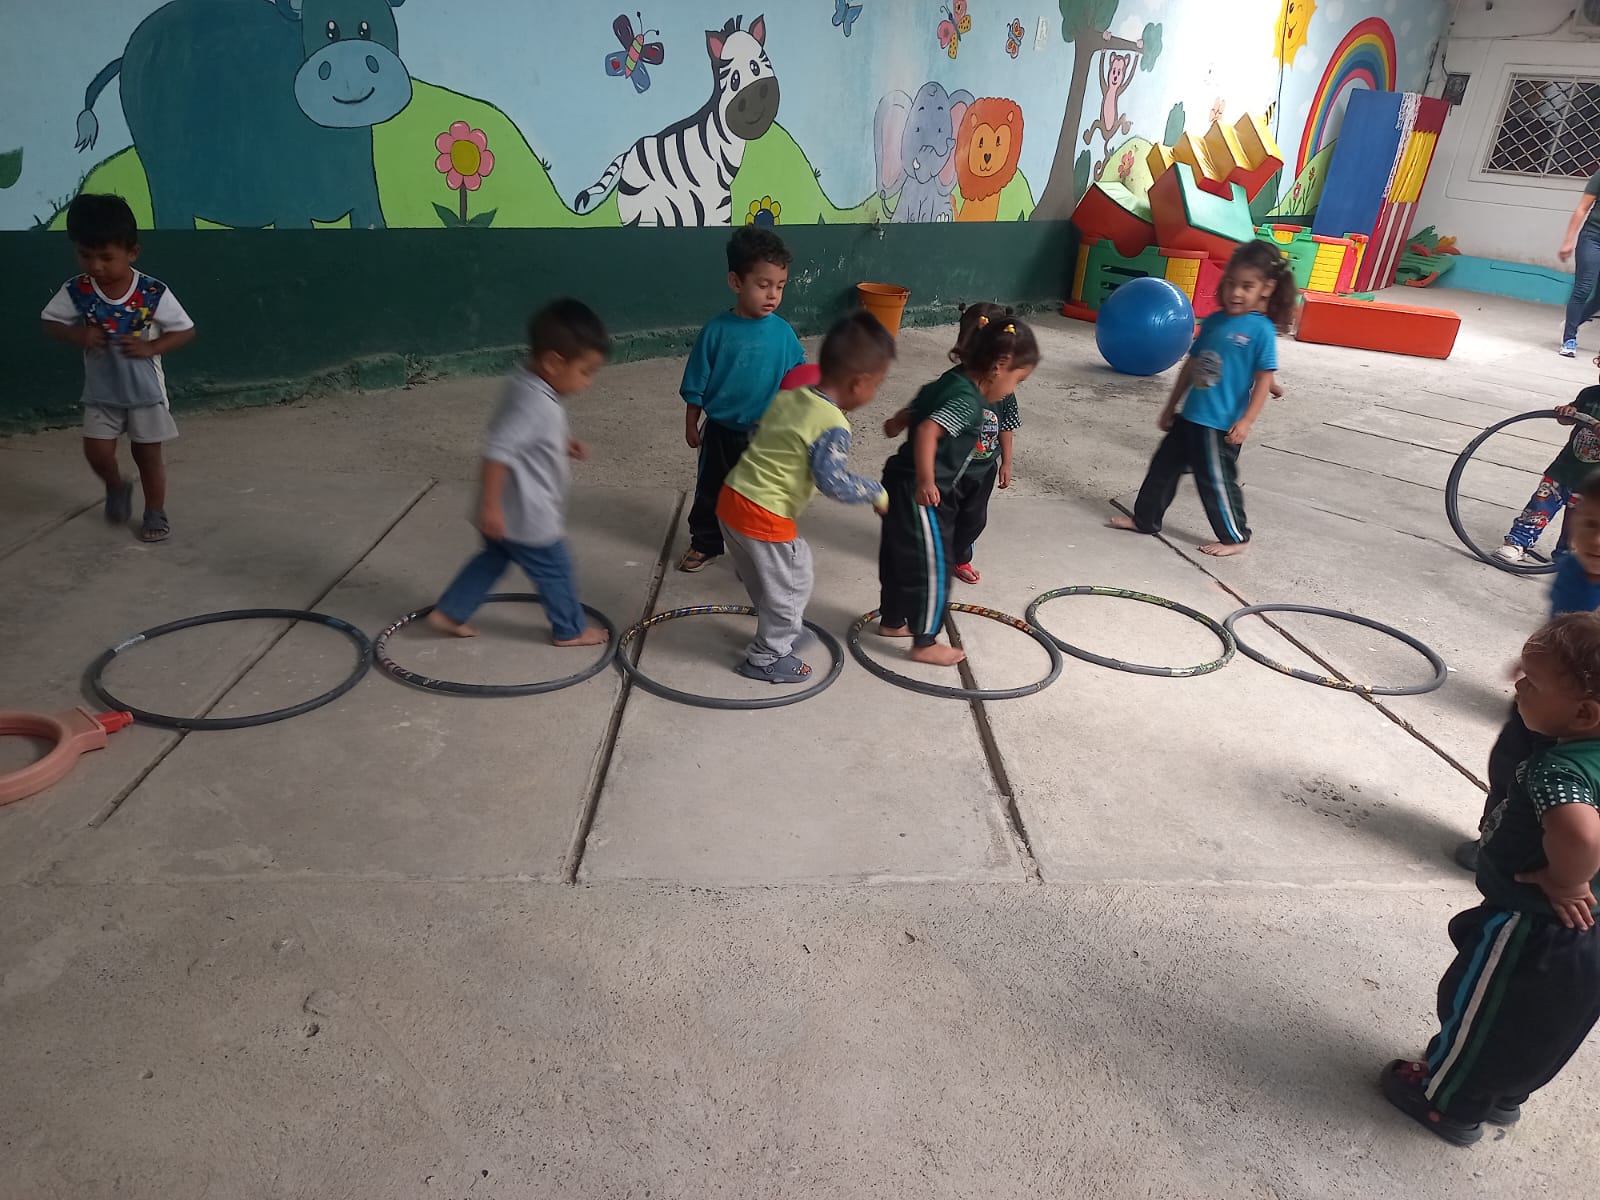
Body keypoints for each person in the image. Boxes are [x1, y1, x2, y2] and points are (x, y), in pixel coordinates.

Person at [1382, 610, 1600, 1147]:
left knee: (1480, 1009)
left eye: (1533, 683)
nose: (1518, 686)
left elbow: (1579, 832)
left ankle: (1447, 1103)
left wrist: (1568, 879)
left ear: (1585, 712)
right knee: (1543, 1022)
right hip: (1586, 929)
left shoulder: (1559, 769)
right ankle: (1504, 1094)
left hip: (1532, 919)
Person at [718, 312, 897, 683]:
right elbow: (833, 482)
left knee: (766, 581)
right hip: (765, 514)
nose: (875, 393)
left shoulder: (792, 397)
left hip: (732, 499)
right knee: (793, 584)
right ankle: (767, 656)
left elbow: (758, 435)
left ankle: (780, 631)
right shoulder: (832, 423)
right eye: (877, 385)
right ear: (859, 383)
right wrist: (876, 493)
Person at [427, 299, 611, 649]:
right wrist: (491, 506)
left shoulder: (522, 383)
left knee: (492, 559)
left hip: (507, 513)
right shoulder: (538, 404)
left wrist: (559, 443)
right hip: (527, 515)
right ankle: (570, 630)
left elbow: (520, 436)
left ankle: (450, 611)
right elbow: (498, 451)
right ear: (553, 362)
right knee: (556, 569)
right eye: (586, 371)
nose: (588, 382)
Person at [1109, 240, 1297, 557]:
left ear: (1266, 288)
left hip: (1219, 426)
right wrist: (1171, 406)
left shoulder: (1260, 330)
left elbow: (1264, 375)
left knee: (1215, 481)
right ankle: (1145, 519)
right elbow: (1192, 365)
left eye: (1247, 286)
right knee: (1162, 469)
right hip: (1190, 416)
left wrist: (1247, 421)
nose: (1236, 293)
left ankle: (1236, 536)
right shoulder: (1214, 322)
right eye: (1231, 283)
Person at [1456, 468, 1600, 873]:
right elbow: (1560, 623)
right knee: (1510, 763)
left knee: (1559, 790)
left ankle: (1557, 867)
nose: (1597, 540)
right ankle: (1494, 838)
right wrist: (1536, 659)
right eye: (1591, 524)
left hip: (1586, 721)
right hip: (1549, 696)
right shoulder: (1571, 569)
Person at [877, 317, 1040, 666]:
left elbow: (918, 409)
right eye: (1017, 380)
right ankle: (925, 641)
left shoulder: (951, 381)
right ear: (999, 366)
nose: (1012, 391)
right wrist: (926, 481)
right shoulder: (968, 400)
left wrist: (895, 423)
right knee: (935, 564)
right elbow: (928, 430)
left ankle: (892, 621)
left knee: (895, 554)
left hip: (898, 478)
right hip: (922, 490)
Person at [40, 193, 196, 543]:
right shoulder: (77, 290)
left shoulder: (152, 292)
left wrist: (152, 347)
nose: (96, 266)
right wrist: (77, 334)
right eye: (85, 255)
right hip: (101, 391)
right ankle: (115, 485)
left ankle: (155, 510)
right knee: (96, 452)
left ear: (132, 252)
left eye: (106, 257)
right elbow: (50, 323)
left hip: (145, 392)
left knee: (148, 455)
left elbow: (185, 330)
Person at [678, 226, 806, 573]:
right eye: (763, 285)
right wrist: (691, 423)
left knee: (759, 496)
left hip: (765, 435)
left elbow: (799, 378)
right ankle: (705, 543)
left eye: (780, 286)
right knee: (711, 490)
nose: (773, 295)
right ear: (736, 282)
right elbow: (697, 382)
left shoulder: (783, 333)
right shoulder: (716, 332)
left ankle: (755, 553)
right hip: (719, 431)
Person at [883, 303, 1022, 586]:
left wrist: (1007, 461)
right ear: (996, 364)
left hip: (983, 468)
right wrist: (899, 423)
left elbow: (1006, 426)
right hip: (951, 470)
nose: (1014, 384)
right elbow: (924, 416)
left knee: (974, 519)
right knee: (941, 518)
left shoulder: (1002, 392)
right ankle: (937, 557)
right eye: (1015, 374)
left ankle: (958, 555)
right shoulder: (958, 391)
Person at [1491, 352, 1600, 565]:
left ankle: (1568, 558)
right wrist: (1567, 412)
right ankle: (1517, 542)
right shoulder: (1590, 394)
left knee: (1579, 522)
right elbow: (1568, 419)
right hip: (1564, 469)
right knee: (1539, 507)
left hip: (1593, 483)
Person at [1558, 169, 1600, 358]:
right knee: (1584, 287)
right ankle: (1569, 339)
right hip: (1594, 237)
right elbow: (1582, 208)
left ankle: (1572, 322)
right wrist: (1568, 240)